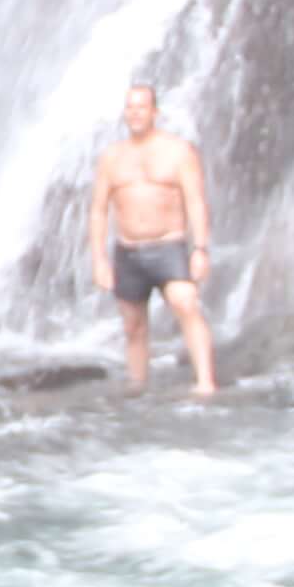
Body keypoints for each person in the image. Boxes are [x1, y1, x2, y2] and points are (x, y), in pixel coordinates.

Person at [90, 80, 224, 397]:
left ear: (155, 112)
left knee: (185, 302)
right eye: (130, 107)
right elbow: (98, 210)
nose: (135, 113)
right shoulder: (111, 158)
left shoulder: (178, 151)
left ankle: (206, 382)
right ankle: (138, 386)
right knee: (132, 325)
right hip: (128, 250)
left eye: (141, 107)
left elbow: (195, 201)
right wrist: (99, 260)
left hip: (168, 245)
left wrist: (200, 249)